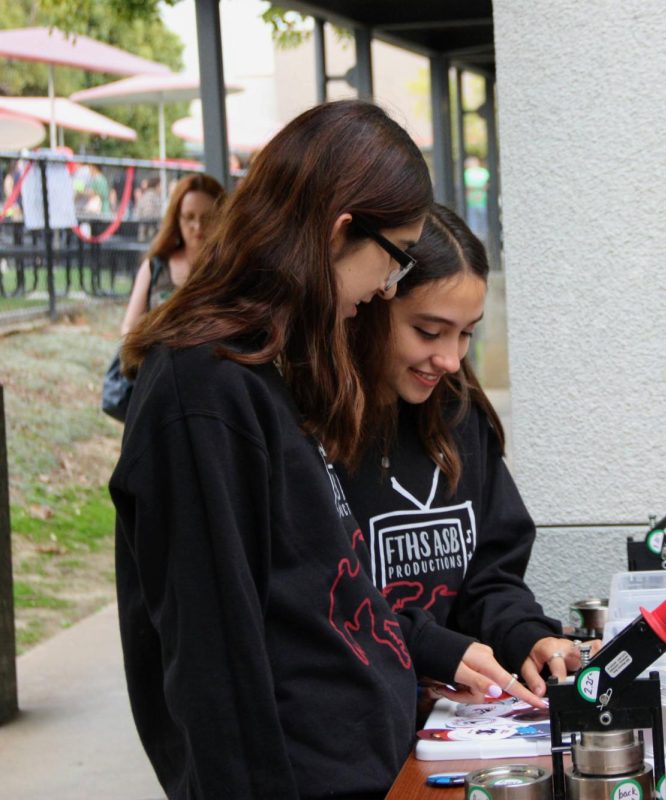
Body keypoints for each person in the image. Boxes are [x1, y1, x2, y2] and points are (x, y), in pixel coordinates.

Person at [110, 100, 543, 800]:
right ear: (341, 230)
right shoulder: (205, 389)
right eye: (394, 261)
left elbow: (322, 594)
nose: (384, 289)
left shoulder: (260, 370)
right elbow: (213, 667)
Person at [341, 204, 591, 701]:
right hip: (365, 729)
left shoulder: (459, 414)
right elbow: (330, 605)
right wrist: (431, 651)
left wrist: (525, 634)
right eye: (429, 332)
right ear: (370, 302)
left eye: (467, 333)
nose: (450, 360)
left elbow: (491, 574)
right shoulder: (313, 437)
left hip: (456, 723)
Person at [119, 173, 225, 336]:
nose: (198, 226)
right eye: (189, 217)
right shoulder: (155, 266)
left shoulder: (232, 269)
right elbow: (128, 330)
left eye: (208, 217)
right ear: (176, 219)